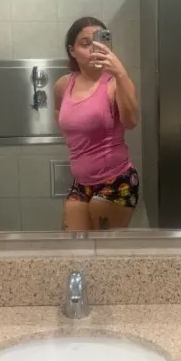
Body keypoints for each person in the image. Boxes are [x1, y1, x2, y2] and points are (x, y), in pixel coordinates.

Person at [55, 16, 140, 232]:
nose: (93, 49)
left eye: (98, 42)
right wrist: (76, 143)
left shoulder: (115, 83)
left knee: (104, 249)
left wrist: (120, 73)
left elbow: (131, 122)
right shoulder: (64, 85)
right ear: (72, 51)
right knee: (73, 245)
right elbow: (59, 113)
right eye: (85, 44)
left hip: (116, 180)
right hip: (81, 183)